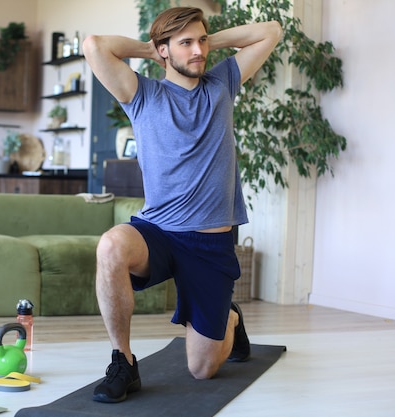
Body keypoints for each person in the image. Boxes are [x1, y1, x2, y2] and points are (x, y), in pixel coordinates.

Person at [82, 7, 282, 404]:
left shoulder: (222, 83)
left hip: (209, 245)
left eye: (200, 41)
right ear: (164, 51)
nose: (197, 51)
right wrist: (153, 48)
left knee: (202, 370)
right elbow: (94, 45)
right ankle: (123, 362)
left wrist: (207, 38)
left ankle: (229, 317)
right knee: (110, 246)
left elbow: (271, 31)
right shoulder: (141, 94)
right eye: (186, 43)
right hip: (158, 232)